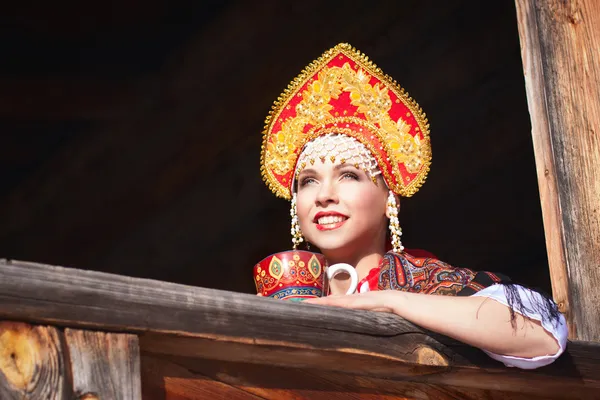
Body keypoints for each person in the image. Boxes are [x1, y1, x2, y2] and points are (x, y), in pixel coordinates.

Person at [259, 43, 567, 369]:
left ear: (389, 199)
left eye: (348, 175)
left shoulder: (421, 280)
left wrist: (391, 301)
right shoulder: (271, 294)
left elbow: (543, 333)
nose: (324, 195)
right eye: (308, 181)